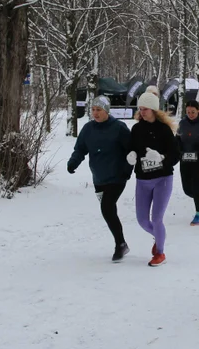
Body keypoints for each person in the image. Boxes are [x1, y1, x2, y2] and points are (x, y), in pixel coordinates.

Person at [66, 96, 133, 262]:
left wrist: (127, 170)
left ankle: (120, 245)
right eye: (93, 110)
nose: (95, 113)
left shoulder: (119, 128)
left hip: (117, 176)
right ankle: (122, 243)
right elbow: (80, 149)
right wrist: (73, 162)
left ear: (107, 111)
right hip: (99, 177)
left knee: (107, 207)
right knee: (109, 211)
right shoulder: (88, 129)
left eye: (99, 110)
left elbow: (131, 151)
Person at [129, 91, 180, 267]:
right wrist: (132, 155)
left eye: (146, 109)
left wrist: (162, 157)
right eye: (140, 109)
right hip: (143, 179)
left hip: (162, 178)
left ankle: (160, 252)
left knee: (157, 219)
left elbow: (175, 154)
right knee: (142, 220)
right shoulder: (136, 129)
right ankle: (159, 235)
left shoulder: (164, 130)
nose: (142, 112)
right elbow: (132, 147)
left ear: (154, 110)